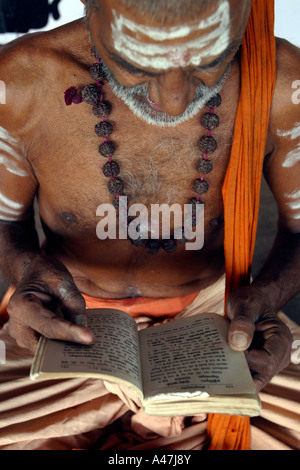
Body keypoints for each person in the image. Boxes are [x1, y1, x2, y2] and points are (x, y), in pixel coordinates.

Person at [0, 0, 299, 450]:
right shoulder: (21, 79)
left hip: (221, 327)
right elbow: (6, 218)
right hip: (65, 323)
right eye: (137, 66)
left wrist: (270, 294)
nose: (175, 99)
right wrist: (25, 270)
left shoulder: (280, 78)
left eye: (210, 62)